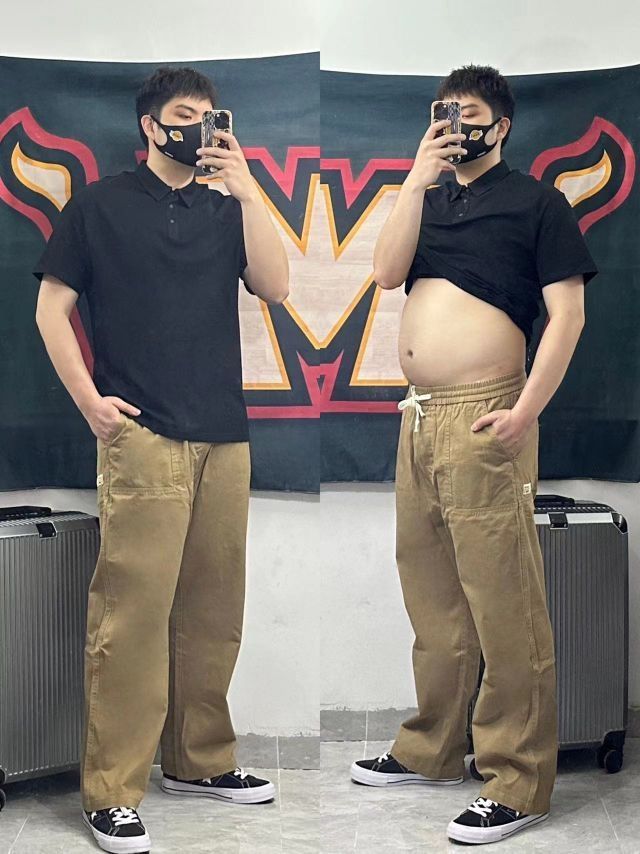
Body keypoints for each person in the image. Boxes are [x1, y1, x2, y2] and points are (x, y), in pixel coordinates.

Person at [34, 66, 289, 854]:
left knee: (213, 613)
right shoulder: (99, 205)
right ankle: (111, 792)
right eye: (184, 115)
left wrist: (248, 189)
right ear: (150, 125)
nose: (198, 128)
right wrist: (89, 402)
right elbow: (50, 308)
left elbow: (277, 285)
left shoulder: (226, 208)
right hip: (141, 436)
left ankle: (198, 761)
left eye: (210, 117)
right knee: (131, 619)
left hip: (225, 435)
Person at [350, 64, 597, 846]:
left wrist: (526, 412)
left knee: (503, 603)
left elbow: (567, 315)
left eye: (470, 113)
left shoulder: (537, 202)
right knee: (433, 600)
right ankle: (432, 750)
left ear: (502, 126)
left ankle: (519, 781)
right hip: (418, 417)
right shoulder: (427, 198)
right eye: (445, 113)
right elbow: (386, 273)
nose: (456, 125)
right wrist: (415, 178)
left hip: (488, 414)